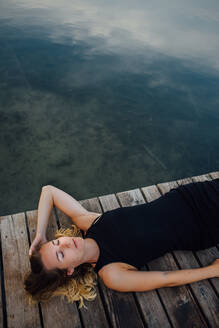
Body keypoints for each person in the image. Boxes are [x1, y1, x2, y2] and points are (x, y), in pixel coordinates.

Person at [24, 179, 219, 308]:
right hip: (205, 226)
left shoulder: (89, 222)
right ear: (70, 270)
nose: (65, 244)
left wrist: (40, 234)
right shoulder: (112, 273)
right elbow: (167, 277)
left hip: (191, 195)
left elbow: (48, 191)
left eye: (57, 242)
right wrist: (212, 271)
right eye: (61, 255)